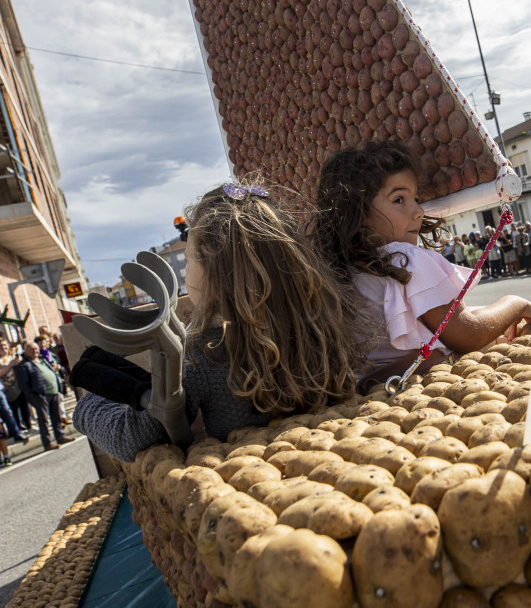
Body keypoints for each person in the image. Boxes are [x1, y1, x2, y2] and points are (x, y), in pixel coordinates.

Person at [71, 182, 363, 463]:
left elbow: (130, 438)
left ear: (214, 273)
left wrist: (88, 406)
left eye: (188, 260)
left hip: (253, 479)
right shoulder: (324, 325)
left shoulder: (206, 354)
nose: (186, 274)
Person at [313, 141, 531, 383]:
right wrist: (516, 304)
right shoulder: (405, 258)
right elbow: (469, 334)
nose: (418, 211)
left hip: (367, 395)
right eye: (399, 199)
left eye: (415, 198)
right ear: (358, 213)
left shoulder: (341, 268)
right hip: (422, 386)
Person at [15, 341, 74, 451]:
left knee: (56, 416)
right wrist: (33, 397)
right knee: (44, 420)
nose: (35, 351)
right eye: (32, 349)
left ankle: (60, 437)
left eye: (36, 348)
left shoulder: (42, 359)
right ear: (25, 351)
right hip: (40, 395)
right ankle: (47, 443)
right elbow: (23, 385)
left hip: (53, 391)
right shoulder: (23, 365)